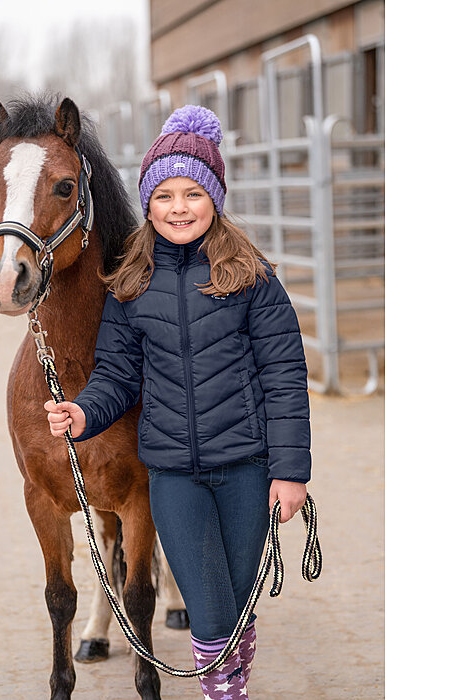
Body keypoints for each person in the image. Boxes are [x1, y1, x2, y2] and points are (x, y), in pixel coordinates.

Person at [45, 105, 311, 698]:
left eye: (193, 192)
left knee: (237, 609)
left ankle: (230, 682)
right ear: (147, 203)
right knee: (212, 613)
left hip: (247, 469)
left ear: (215, 196)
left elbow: (286, 378)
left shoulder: (252, 278)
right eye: (164, 195)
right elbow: (117, 372)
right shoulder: (131, 285)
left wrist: (290, 473)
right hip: (172, 477)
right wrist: (84, 411)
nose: (179, 207)